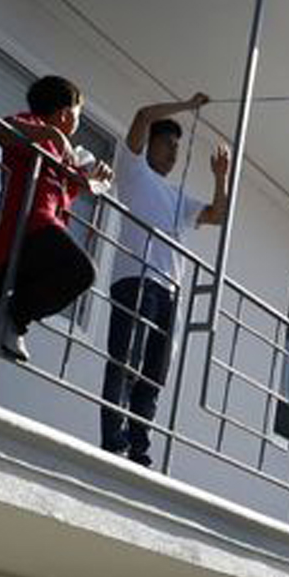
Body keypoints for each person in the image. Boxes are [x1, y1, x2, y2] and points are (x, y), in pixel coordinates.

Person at [0, 75, 109, 398]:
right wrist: (50, 133)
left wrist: (94, 177)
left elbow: (72, 188)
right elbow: (3, 130)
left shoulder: (64, 152)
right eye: (78, 114)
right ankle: (13, 323)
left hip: (35, 237)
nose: (76, 122)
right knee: (82, 271)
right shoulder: (33, 125)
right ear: (65, 113)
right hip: (27, 229)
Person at [100, 94, 232, 466]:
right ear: (150, 144)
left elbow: (216, 214)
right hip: (136, 279)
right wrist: (188, 105)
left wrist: (220, 177)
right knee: (126, 360)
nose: (174, 153)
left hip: (169, 288)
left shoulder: (177, 195)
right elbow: (142, 113)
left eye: (177, 147)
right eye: (167, 144)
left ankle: (139, 449)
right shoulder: (134, 170)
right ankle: (114, 442)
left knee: (154, 373)